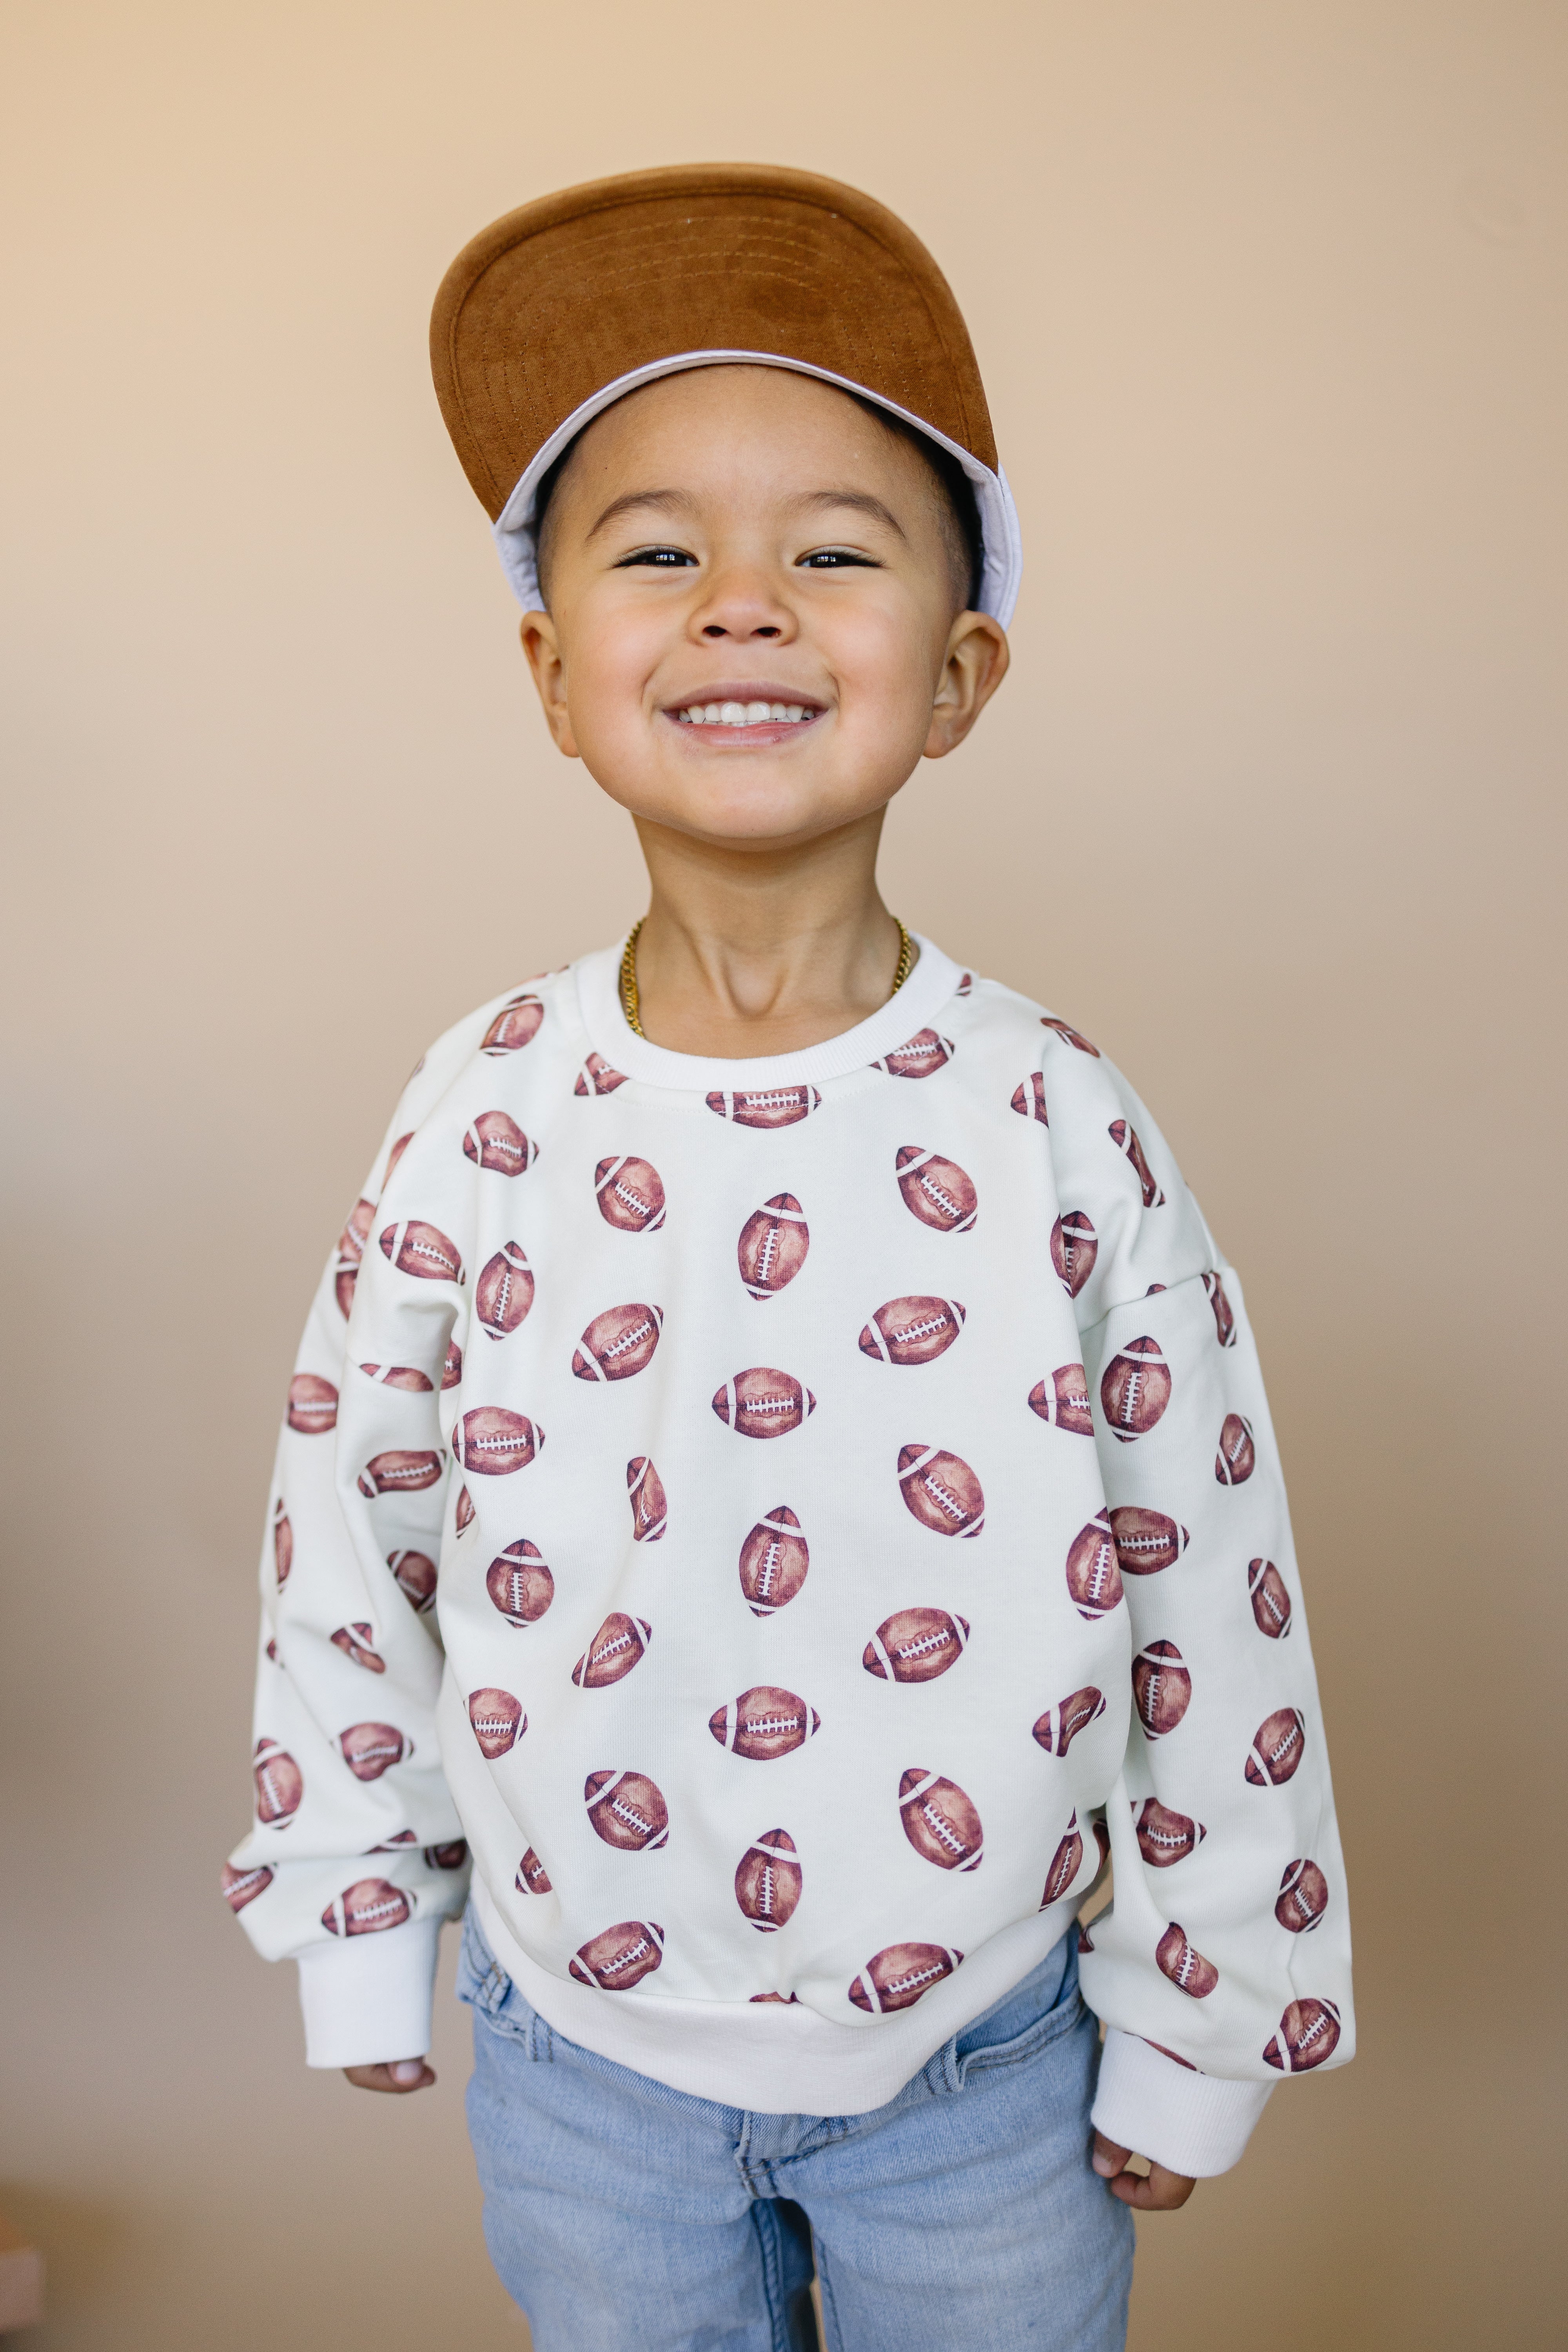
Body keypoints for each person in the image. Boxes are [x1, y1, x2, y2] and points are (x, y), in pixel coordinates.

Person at [223, 164, 1354, 2352]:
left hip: (987, 2075)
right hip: (580, 2066)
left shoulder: (1055, 1125)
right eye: (660, 553)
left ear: (959, 673)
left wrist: (1206, 2016)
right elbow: (353, 1514)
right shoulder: (485, 1105)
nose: (744, 603)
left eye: (832, 553)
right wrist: (357, 1911)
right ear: (555, 673)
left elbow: (1210, 1577)